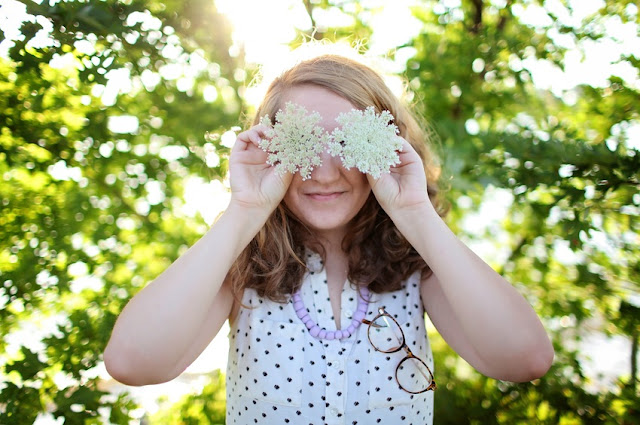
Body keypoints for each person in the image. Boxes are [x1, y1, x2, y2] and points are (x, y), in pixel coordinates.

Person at [104, 51, 554, 424]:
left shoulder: (418, 267)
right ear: (271, 148)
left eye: (347, 143)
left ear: (389, 146)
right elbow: (133, 363)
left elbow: (524, 359)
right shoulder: (245, 265)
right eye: (302, 142)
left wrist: (415, 213)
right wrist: (244, 211)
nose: (323, 173)